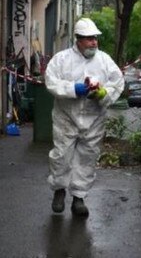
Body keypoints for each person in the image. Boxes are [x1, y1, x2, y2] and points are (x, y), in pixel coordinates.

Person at [44, 18, 124, 217]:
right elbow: (51, 81)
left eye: (95, 39)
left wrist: (104, 94)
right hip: (66, 117)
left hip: (94, 119)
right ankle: (59, 190)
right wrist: (73, 89)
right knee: (61, 155)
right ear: (78, 40)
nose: (94, 43)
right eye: (89, 39)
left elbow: (118, 82)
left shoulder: (104, 60)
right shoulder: (61, 59)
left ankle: (79, 198)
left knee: (87, 158)